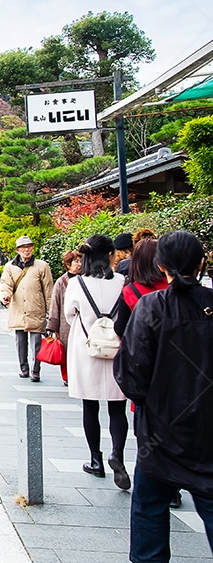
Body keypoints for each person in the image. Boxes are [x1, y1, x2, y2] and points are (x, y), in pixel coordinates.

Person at [115, 230, 213, 561]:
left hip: (161, 427)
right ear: (201, 262)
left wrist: (146, 401)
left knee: (149, 508)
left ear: (162, 265)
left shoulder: (152, 307)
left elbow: (132, 371)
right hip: (210, 430)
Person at [62, 235, 128, 489]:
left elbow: (70, 315)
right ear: (111, 255)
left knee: (90, 406)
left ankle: (96, 460)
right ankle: (117, 456)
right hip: (115, 345)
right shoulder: (122, 282)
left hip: (86, 347)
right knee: (117, 407)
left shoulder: (77, 283)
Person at [0, 235, 54, 381]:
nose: (27, 250)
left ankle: (36, 370)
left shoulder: (42, 266)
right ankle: (23, 368)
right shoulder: (10, 266)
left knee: (37, 342)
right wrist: (5, 296)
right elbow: (6, 284)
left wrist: (51, 312)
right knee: (20, 342)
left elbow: (49, 290)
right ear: (18, 250)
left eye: (29, 246)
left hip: (36, 308)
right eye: (23, 247)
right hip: (18, 308)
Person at [46, 250, 82, 385]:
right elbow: (55, 304)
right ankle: (67, 376)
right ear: (68, 265)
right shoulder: (62, 282)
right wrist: (53, 326)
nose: (79, 264)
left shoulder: (85, 279)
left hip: (81, 321)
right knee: (65, 349)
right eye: (76, 262)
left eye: (80, 261)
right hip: (64, 322)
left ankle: (78, 376)